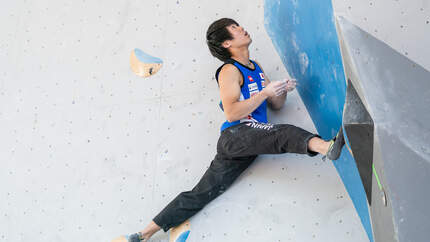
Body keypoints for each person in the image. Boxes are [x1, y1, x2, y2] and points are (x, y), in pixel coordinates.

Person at [122, 18, 345, 242]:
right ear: (227, 43)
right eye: (234, 28)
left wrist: (282, 90)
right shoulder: (229, 70)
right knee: (283, 133)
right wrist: (265, 93)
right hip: (236, 134)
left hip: (246, 143)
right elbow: (231, 112)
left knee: (201, 193)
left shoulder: (255, 67)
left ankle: (142, 235)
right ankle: (328, 147)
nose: (241, 28)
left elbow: (276, 105)